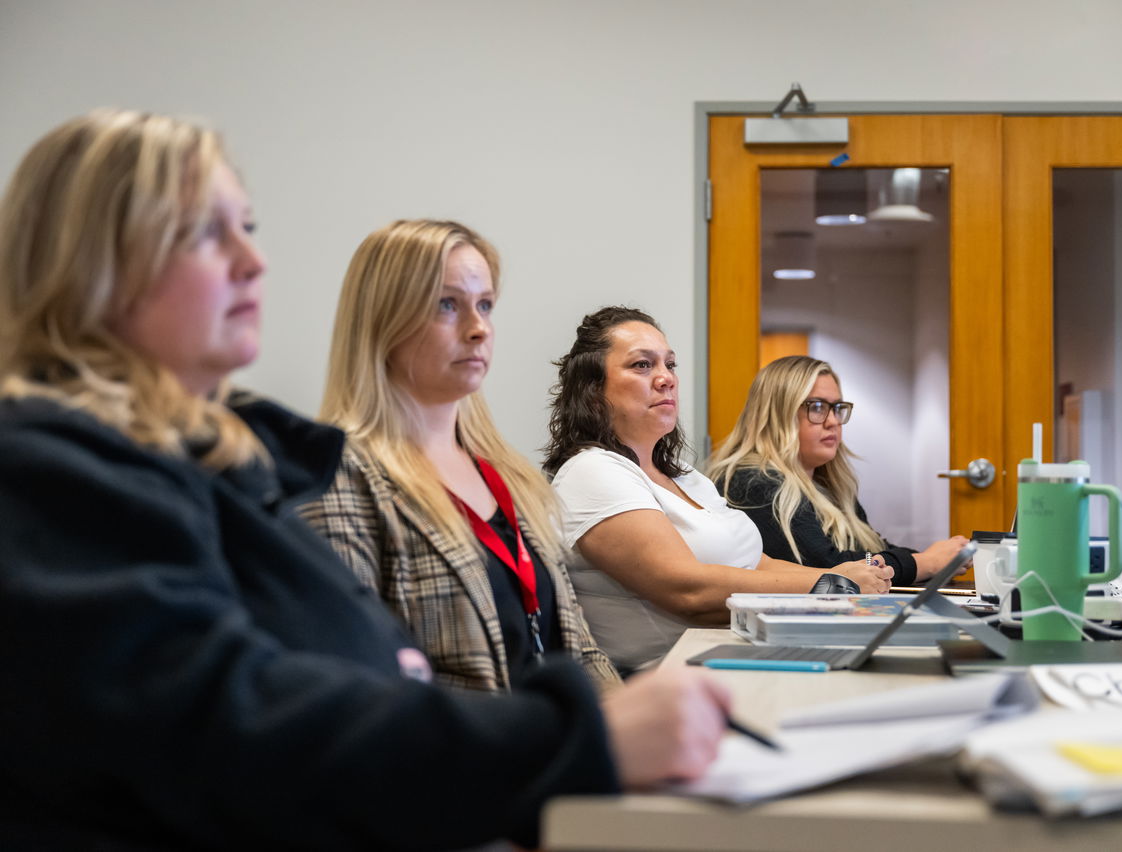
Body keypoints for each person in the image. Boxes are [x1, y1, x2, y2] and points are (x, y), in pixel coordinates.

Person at [0, 110, 729, 851]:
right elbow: (242, 724)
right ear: (89, 265)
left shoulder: (232, 466)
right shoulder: (49, 471)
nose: (254, 261)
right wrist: (572, 738)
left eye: (247, 227)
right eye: (204, 233)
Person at [300, 219, 620, 693]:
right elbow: (360, 692)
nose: (478, 329)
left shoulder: (507, 476)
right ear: (383, 320)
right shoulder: (339, 480)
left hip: (562, 757)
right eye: (447, 305)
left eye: (485, 305)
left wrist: (624, 725)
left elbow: (576, 645)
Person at [544, 307, 891, 672]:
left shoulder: (683, 476)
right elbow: (687, 591)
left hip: (732, 655)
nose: (666, 379)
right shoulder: (591, 471)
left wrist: (848, 578)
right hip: (665, 680)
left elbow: (756, 563)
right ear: (593, 390)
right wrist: (829, 586)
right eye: (642, 365)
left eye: (670, 365)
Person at [707, 355, 969, 586]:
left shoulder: (825, 483)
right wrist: (926, 563)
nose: (833, 422)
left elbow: (870, 552)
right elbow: (831, 567)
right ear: (778, 414)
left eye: (837, 408)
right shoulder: (752, 482)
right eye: (817, 408)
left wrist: (936, 559)